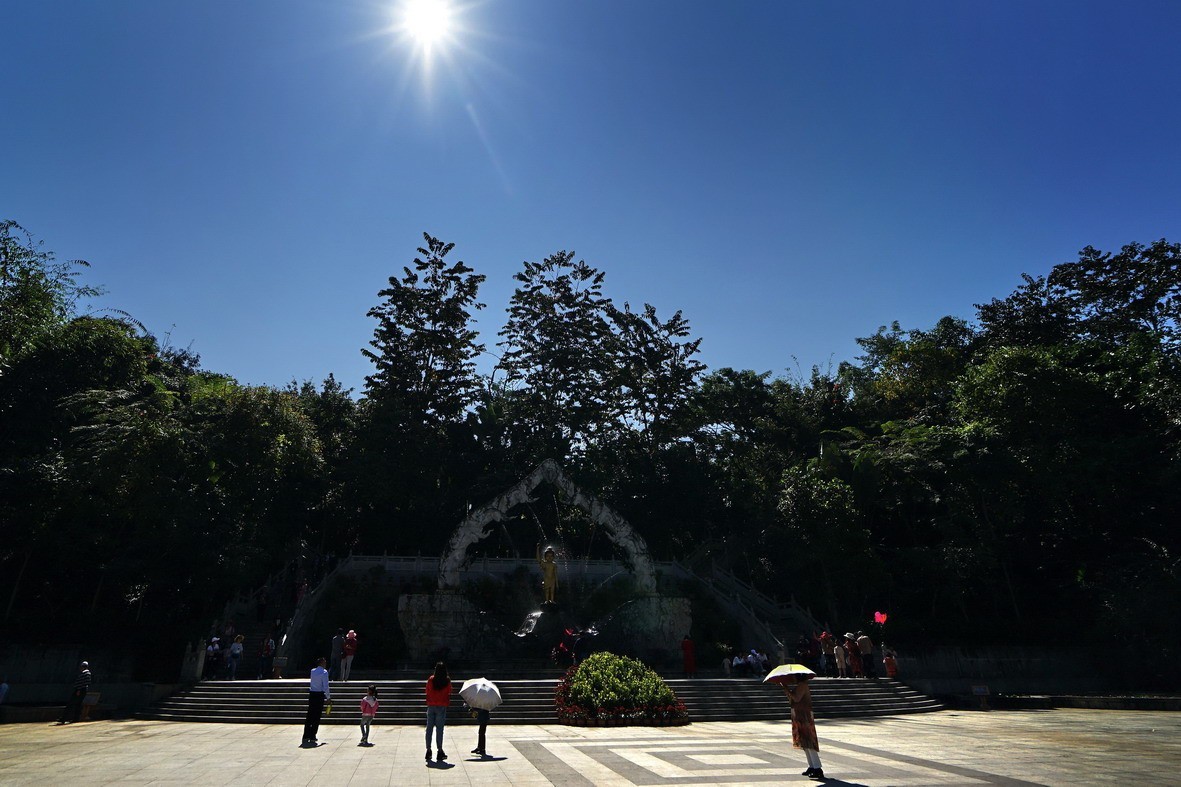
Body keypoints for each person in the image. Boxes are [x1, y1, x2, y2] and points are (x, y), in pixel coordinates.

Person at [781, 672, 824, 779]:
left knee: (809, 741)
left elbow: (797, 698)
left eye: (794, 676)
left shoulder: (803, 685)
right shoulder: (798, 686)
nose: (792, 678)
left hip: (805, 716)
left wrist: (787, 689)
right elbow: (792, 700)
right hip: (799, 715)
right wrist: (787, 690)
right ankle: (811, 765)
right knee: (804, 742)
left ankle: (817, 767)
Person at [425, 662, 452, 762]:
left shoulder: (431, 679)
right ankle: (439, 750)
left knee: (429, 728)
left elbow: (427, 691)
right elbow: (449, 691)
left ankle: (428, 750)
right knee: (439, 729)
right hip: (441, 706)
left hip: (431, 705)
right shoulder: (447, 680)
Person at [302, 657, 331, 746]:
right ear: (321, 663)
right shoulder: (324, 672)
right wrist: (328, 697)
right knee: (316, 716)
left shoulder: (313, 671)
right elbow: (325, 685)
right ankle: (312, 735)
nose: (325, 664)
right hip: (319, 694)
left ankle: (306, 735)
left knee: (310, 715)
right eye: (324, 662)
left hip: (312, 693)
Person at [57, 661, 92, 725]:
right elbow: (86, 683)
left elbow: (82, 683)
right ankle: (76, 718)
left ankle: (64, 718)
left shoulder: (84, 673)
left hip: (79, 690)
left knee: (71, 704)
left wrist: (78, 690)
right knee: (78, 704)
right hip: (83, 690)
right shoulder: (88, 673)